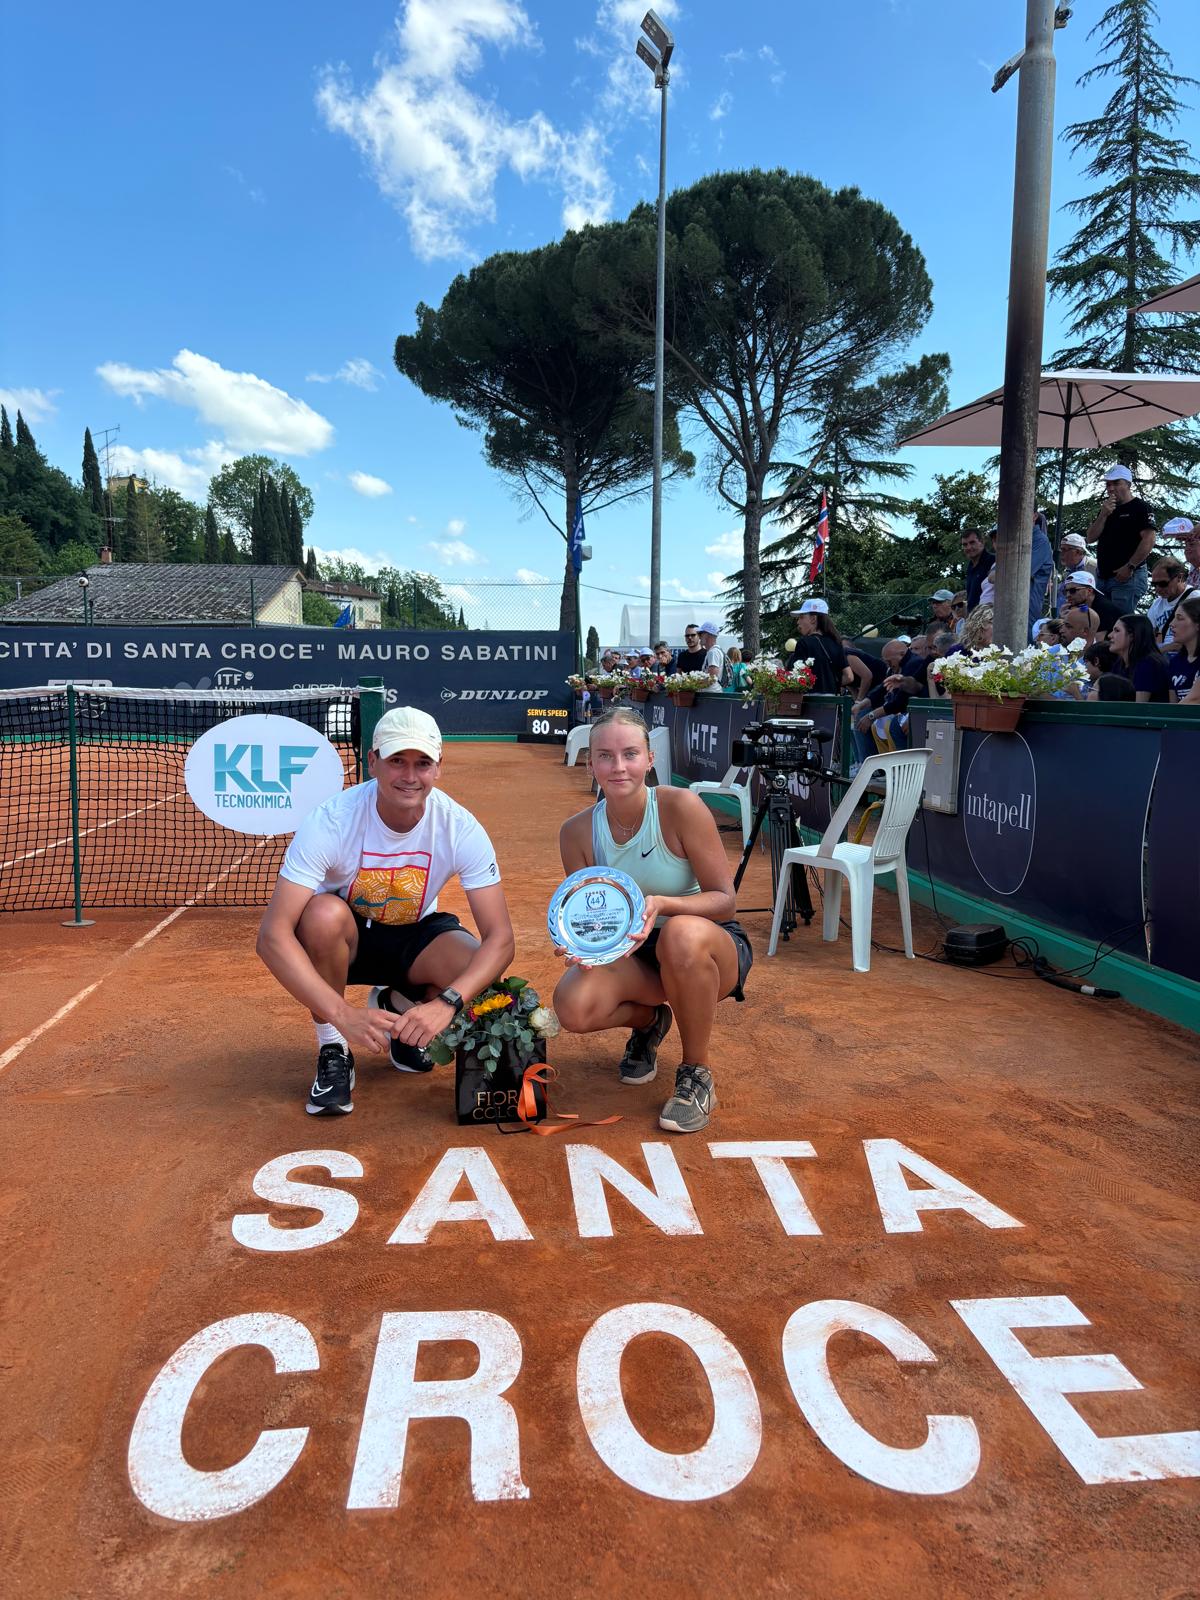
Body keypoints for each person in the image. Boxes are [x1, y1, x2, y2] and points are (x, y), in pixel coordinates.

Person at [256, 706, 515, 1116]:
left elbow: (500, 940)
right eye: (397, 761)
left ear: (438, 768)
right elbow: (272, 937)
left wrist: (447, 1002)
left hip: (415, 936)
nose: (409, 776)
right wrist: (341, 1016)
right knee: (322, 916)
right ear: (373, 761)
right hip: (344, 941)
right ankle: (333, 1050)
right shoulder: (331, 821)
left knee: (476, 969)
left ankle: (401, 1012)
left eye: (422, 763)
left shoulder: (459, 826)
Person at [553, 709, 752, 1135]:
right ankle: (649, 1023)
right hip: (636, 955)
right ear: (591, 763)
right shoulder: (575, 832)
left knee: (679, 935)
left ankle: (696, 1074)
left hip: (705, 948)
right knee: (573, 1006)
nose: (618, 766)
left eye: (630, 753)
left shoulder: (681, 806)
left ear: (649, 759)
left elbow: (725, 902)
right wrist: (583, 945)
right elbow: (590, 915)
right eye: (605, 755)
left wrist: (663, 903)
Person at [1085, 465, 1157, 612]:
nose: (1111, 488)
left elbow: (1149, 539)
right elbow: (1090, 537)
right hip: (1103, 577)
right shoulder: (1107, 509)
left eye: (1116, 483)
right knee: (1103, 624)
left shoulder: (1141, 507)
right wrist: (1103, 515)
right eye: (1108, 484)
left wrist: (1130, 567)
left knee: (1120, 624)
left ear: (1128, 484)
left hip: (1127, 578)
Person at [787, 598, 847, 693]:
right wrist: (830, 685)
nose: (798, 622)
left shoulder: (804, 643)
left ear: (813, 619)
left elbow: (794, 676)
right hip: (832, 703)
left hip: (811, 703)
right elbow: (849, 676)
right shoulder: (836, 642)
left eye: (801, 617)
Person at [1109, 614, 1171, 704]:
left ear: (1132, 635)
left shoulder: (1148, 664)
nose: (1110, 635)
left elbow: (1138, 709)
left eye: (1117, 631)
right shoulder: (1119, 664)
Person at [1147, 558, 1200, 648]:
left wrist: (1160, 652)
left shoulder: (1195, 598)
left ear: (1179, 577)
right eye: (1154, 584)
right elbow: (1149, 637)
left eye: (1163, 583)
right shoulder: (1156, 605)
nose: (1158, 589)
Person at [1058, 569, 1121, 635]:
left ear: (1089, 591)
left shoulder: (1104, 608)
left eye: (1073, 590)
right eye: (1065, 591)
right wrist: (1063, 620)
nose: (1068, 595)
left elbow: (1099, 642)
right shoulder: (1074, 606)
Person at [1166, 595, 1200, 704]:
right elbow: (1173, 705)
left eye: (1179, 618)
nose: (1172, 624)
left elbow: (1194, 699)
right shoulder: (1175, 662)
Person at [962, 529, 994, 611]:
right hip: (973, 619)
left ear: (982, 542)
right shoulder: (970, 566)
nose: (969, 547)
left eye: (972, 542)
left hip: (988, 618)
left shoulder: (994, 561)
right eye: (965, 544)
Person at [696, 619, 726, 689]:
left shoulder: (713, 652)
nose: (699, 637)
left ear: (706, 635)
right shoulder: (715, 651)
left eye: (700, 634)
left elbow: (712, 677)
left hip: (711, 695)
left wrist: (694, 686)